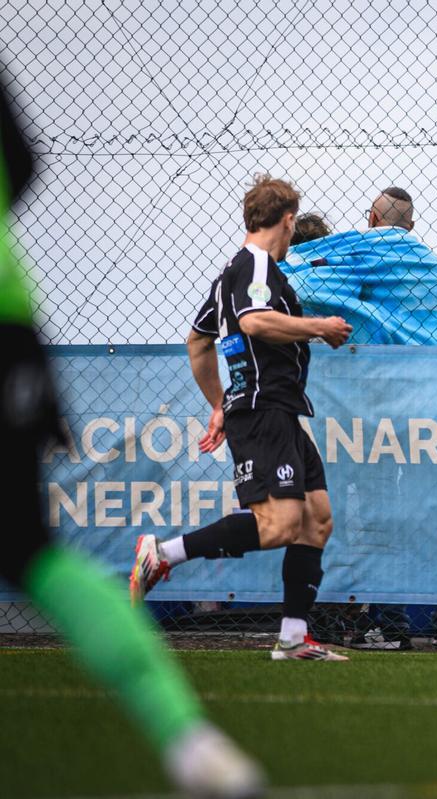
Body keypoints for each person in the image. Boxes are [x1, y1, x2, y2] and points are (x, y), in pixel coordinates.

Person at [1, 74, 263, 796]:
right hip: (9, 315)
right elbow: (21, 162)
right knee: (32, 553)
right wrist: (223, 402)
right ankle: (188, 736)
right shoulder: (245, 275)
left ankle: (238, 602)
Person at [130, 174, 355, 662]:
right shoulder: (254, 264)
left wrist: (217, 403)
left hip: (279, 411)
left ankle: (294, 637)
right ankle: (162, 554)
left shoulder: (234, 272)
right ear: (289, 219)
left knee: (317, 520)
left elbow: (198, 340)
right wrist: (317, 327)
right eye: (295, 224)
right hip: (262, 411)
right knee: (278, 525)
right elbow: (253, 322)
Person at [281, 186, 437, 648]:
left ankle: (391, 623)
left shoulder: (364, 249)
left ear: (370, 217)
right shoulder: (432, 264)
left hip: (383, 407)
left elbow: (302, 285)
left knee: (380, 512)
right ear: (411, 226)